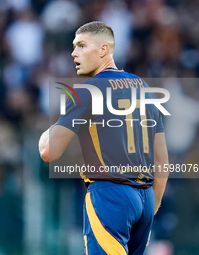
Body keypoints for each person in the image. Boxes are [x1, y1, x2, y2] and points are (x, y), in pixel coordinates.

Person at [39, 21, 169, 254]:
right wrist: (150, 210)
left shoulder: (86, 91)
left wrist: (53, 126)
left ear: (103, 50)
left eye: (81, 45)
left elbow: (49, 152)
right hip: (145, 198)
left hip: (110, 197)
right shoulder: (145, 88)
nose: (73, 53)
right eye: (73, 46)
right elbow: (163, 164)